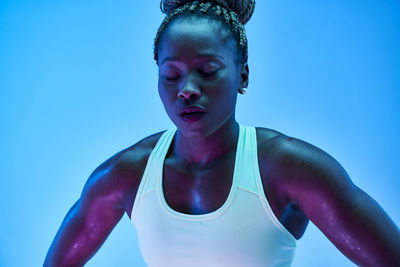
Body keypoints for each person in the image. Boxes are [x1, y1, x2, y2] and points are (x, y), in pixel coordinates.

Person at [44, 0, 400, 266]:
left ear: (243, 75)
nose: (186, 89)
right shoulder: (128, 174)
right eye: (171, 75)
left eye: (208, 70)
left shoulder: (290, 168)